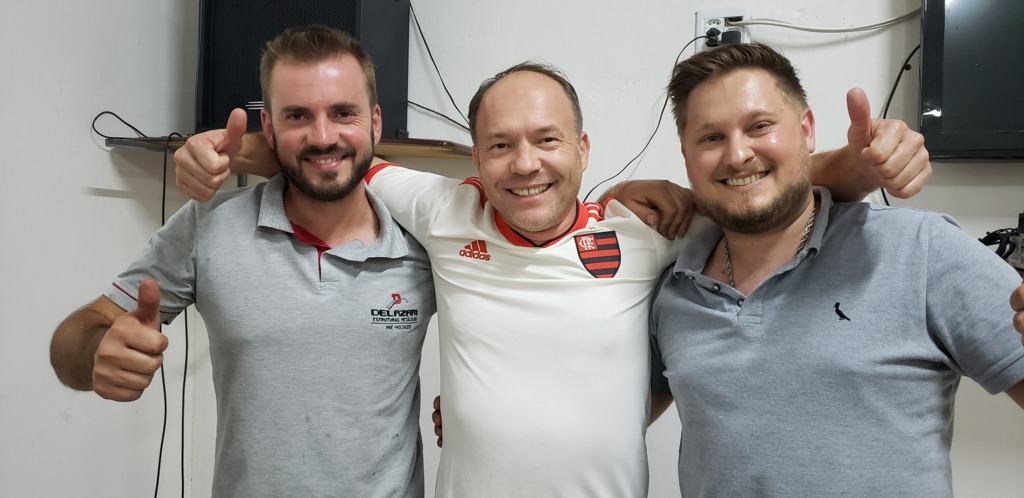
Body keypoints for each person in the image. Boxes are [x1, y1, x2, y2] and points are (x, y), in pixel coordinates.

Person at [175, 59, 932, 495]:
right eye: (500, 145)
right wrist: (221, 150)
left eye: (546, 140)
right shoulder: (442, 210)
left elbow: (765, 191)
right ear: (475, 158)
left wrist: (862, 164)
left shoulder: (647, 227)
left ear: (585, 148)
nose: (526, 163)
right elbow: (329, 150)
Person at [49, 26, 436, 497]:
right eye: (297, 115)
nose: (322, 135)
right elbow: (74, 338)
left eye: (342, 113)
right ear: (268, 128)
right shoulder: (209, 225)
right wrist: (96, 353)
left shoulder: (423, 240)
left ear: (375, 122)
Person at [649, 42, 1024, 496]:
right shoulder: (672, 286)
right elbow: (601, 426)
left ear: (807, 130)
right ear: (686, 155)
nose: (737, 155)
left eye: (760, 126)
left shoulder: (921, 249)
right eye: (711, 137)